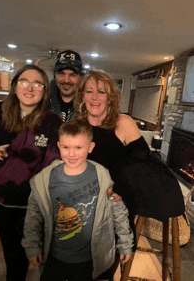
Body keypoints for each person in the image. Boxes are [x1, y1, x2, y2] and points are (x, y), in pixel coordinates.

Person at [22, 119, 133, 281]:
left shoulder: (102, 175)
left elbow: (117, 209)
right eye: (66, 147)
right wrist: (32, 246)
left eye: (78, 147)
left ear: (90, 147)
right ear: (59, 146)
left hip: (88, 261)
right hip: (54, 258)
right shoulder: (46, 179)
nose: (71, 154)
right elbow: (33, 214)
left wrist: (125, 242)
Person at [0, 65, 62, 281]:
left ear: (45, 91)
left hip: (34, 204)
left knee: (39, 255)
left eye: (38, 84)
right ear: (15, 87)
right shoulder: (2, 118)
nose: (30, 88)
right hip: (1, 200)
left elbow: (54, 162)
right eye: (24, 82)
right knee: (12, 256)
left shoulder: (52, 122)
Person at [74, 69, 185, 221]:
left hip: (117, 204)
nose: (94, 97)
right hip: (82, 199)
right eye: (89, 91)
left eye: (101, 92)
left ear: (110, 98)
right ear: (82, 96)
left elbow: (141, 164)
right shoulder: (75, 127)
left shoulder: (123, 122)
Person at [50, 49, 83, 122]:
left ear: (80, 77)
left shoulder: (88, 104)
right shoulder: (43, 101)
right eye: (61, 74)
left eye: (72, 75)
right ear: (55, 75)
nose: (66, 80)